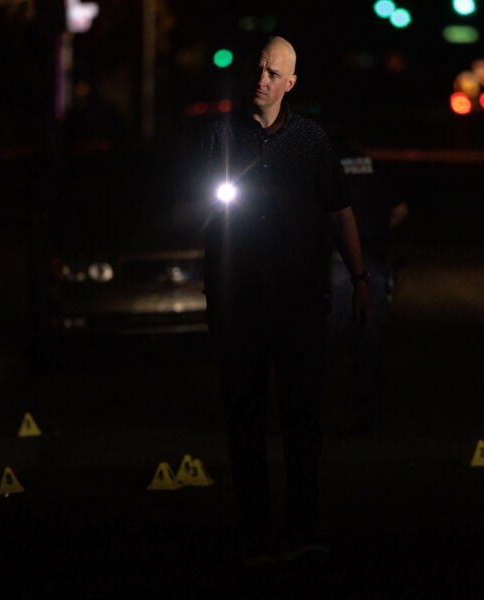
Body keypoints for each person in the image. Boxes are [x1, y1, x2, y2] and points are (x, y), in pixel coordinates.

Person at [200, 35, 373, 568]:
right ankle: (256, 527)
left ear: (290, 83)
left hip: (299, 302)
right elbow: (196, 206)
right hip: (240, 302)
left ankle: (302, 522)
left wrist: (360, 277)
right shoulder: (221, 136)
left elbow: (339, 210)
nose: (262, 80)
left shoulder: (310, 140)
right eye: (257, 70)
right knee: (244, 417)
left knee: (302, 416)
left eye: (273, 73)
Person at [325, 130, 408, 437]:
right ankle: (367, 419)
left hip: (337, 262)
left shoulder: (325, 164)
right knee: (369, 343)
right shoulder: (374, 164)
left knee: (324, 342)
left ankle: (311, 413)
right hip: (373, 260)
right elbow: (400, 209)